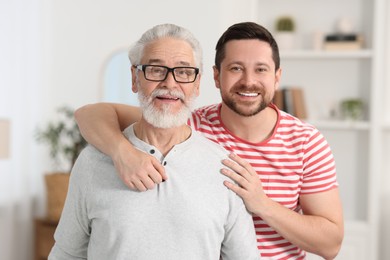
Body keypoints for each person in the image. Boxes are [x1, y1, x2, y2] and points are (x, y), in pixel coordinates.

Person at [75, 22, 344, 259]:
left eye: (260, 69)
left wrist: (262, 204)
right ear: (215, 77)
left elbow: (331, 245)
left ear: (277, 78)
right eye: (236, 68)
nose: (248, 81)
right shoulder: (186, 124)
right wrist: (123, 152)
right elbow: (90, 114)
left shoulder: (306, 143)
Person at [48, 23, 260, 260]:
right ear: (134, 78)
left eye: (183, 72)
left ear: (197, 84)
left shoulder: (225, 168)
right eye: (156, 70)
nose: (170, 84)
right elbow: (67, 254)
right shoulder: (92, 163)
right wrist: (121, 153)